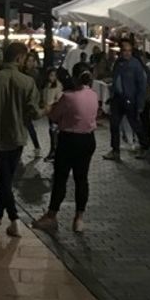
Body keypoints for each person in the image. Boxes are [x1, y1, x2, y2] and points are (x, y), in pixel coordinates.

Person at [0, 42, 42, 237]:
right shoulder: (27, 82)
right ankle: (11, 219)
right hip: (17, 135)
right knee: (6, 179)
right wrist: (46, 110)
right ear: (19, 58)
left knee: (4, 178)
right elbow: (34, 112)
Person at [34, 71, 100, 233]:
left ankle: (51, 216)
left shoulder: (68, 97)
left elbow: (55, 116)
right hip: (88, 140)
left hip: (69, 139)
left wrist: (51, 108)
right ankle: (79, 218)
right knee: (81, 178)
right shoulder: (93, 94)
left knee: (61, 178)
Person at [104, 38, 150, 161]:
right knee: (114, 124)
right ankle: (115, 150)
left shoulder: (135, 65)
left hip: (130, 100)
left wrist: (140, 103)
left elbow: (141, 85)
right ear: (121, 51)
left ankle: (144, 146)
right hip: (118, 98)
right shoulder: (119, 62)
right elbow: (116, 79)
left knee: (135, 124)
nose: (127, 53)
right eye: (125, 50)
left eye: (129, 50)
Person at [22, 50, 43, 155]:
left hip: (30, 102)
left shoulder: (35, 73)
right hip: (22, 102)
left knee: (28, 124)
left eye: (32, 60)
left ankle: (36, 146)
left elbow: (38, 88)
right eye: (28, 60)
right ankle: (35, 146)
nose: (30, 63)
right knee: (26, 124)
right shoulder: (21, 72)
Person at [42, 67, 64, 161]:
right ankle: (53, 151)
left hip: (54, 112)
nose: (52, 77)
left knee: (54, 132)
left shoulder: (58, 86)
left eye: (54, 75)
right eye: (51, 75)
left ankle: (54, 152)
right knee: (52, 132)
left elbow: (59, 99)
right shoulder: (47, 85)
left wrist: (52, 105)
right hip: (49, 112)